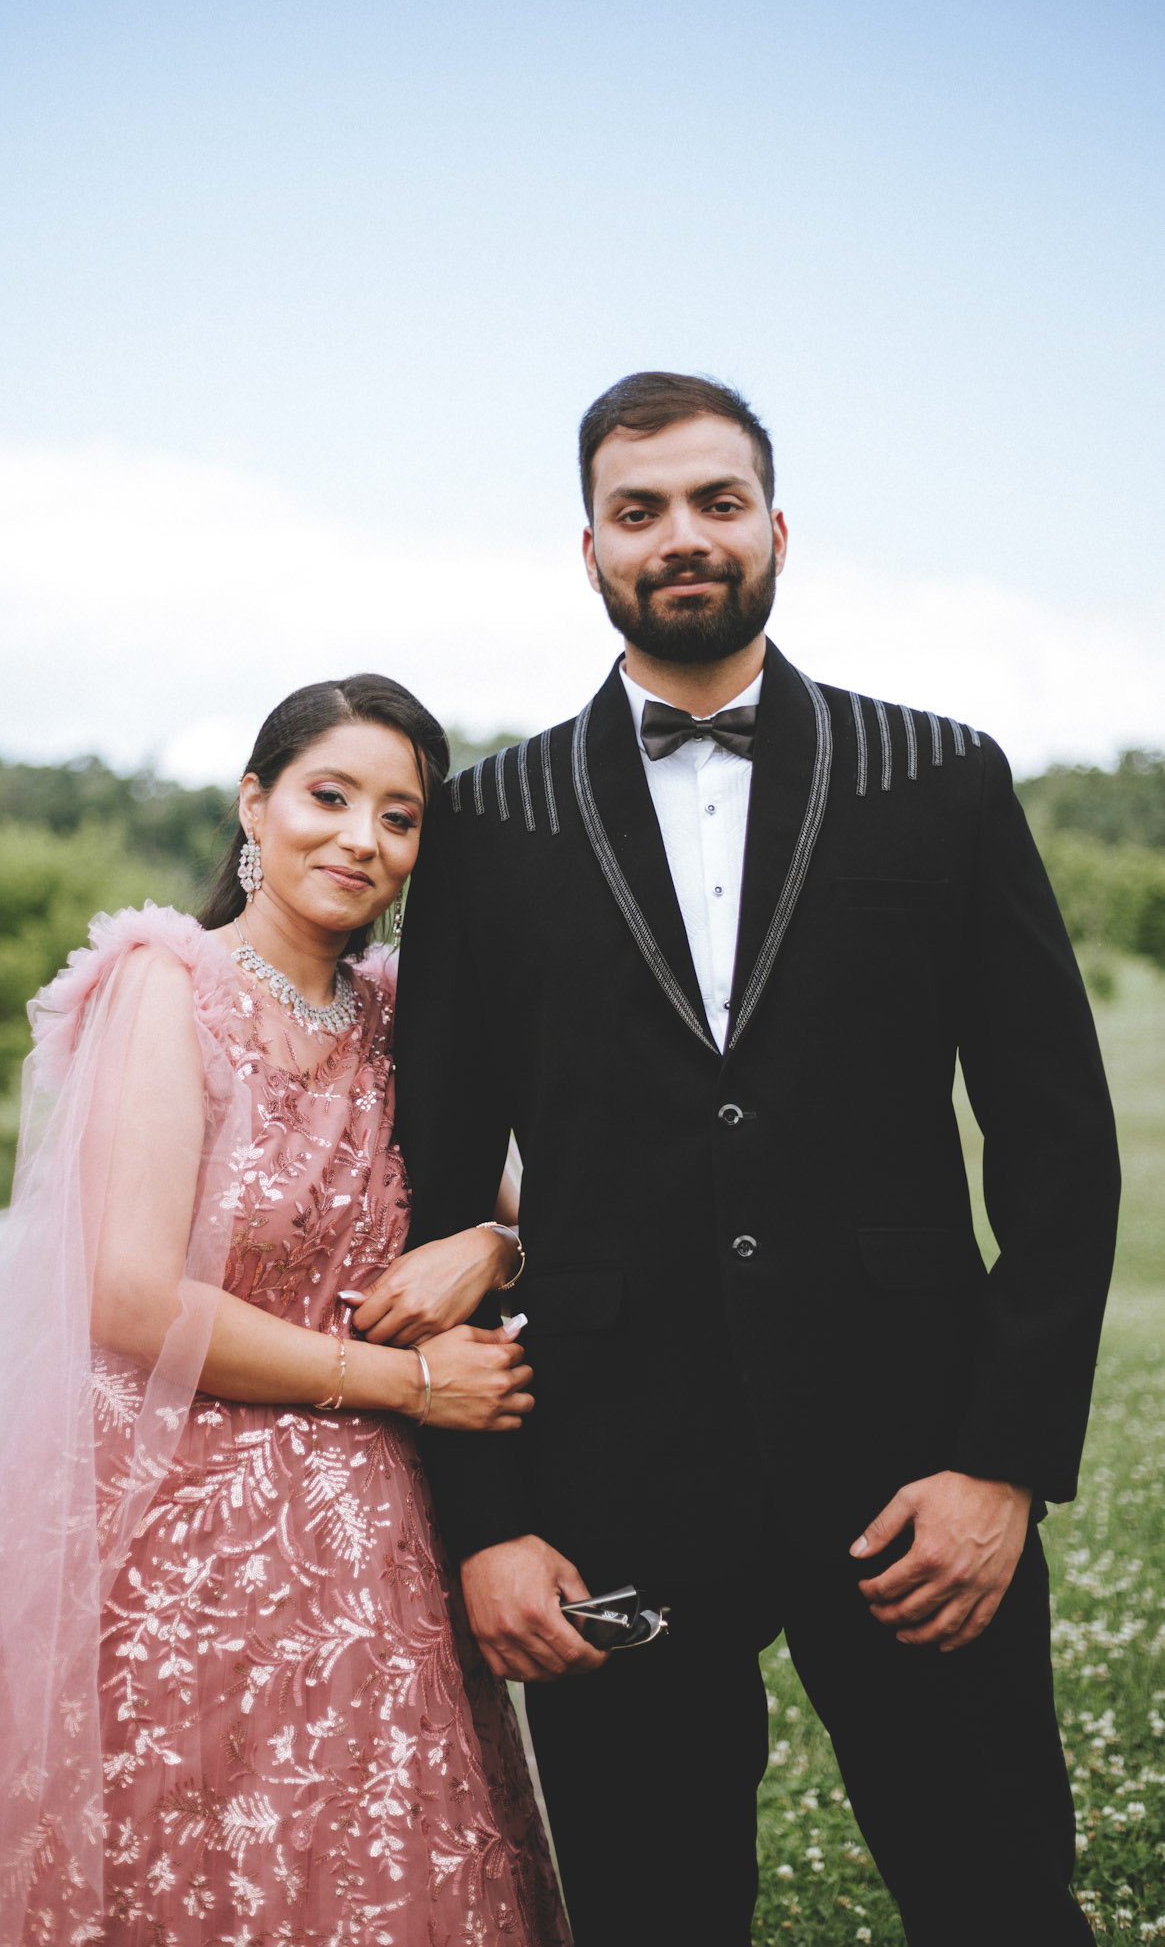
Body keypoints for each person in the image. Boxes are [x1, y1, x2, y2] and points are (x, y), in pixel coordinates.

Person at [392, 372, 1120, 1946]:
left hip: (915, 1470)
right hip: (608, 1493)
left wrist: (1000, 1463)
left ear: (776, 529)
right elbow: (429, 1194)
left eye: (715, 502)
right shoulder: (486, 825)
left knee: (999, 1899)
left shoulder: (939, 779)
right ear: (588, 548)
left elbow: (1058, 1145)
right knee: (651, 1916)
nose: (681, 536)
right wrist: (491, 1523)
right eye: (638, 510)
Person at [0, 674, 568, 1947]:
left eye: (400, 816)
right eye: (329, 797)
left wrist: (493, 1244)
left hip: (375, 1538)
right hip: (173, 1518)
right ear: (255, 805)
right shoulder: (170, 984)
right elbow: (134, 1297)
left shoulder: (401, 1016)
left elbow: (545, 1212)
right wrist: (413, 1383)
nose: (362, 839)